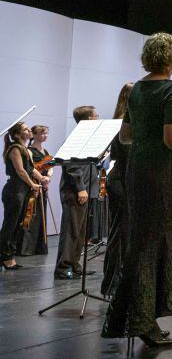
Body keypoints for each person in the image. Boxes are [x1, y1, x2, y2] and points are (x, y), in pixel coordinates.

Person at [101, 32, 172, 347]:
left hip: (137, 172)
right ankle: (142, 321)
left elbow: (126, 136)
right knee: (150, 247)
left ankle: (131, 318)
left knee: (140, 244)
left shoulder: (138, 89)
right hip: (160, 175)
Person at [55, 105, 100, 279]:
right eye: (96, 116)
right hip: (75, 192)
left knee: (81, 231)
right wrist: (81, 188)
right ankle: (63, 267)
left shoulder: (88, 138)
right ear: (89, 119)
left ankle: (74, 264)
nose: (97, 118)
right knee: (71, 230)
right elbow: (72, 165)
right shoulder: (77, 137)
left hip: (86, 190)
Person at [100, 83, 133, 296]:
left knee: (120, 234)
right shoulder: (126, 124)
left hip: (120, 179)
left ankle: (114, 283)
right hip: (124, 180)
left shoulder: (119, 121)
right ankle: (115, 284)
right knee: (121, 234)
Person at [1, 122, 44, 270]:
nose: (29, 130)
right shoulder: (15, 148)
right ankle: (5, 257)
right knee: (10, 225)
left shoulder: (26, 149)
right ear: (18, 135)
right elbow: (20, 171)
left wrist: (42, 179)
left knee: (18, 225)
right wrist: (33, 185)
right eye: (25, 129)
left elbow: (31, 170)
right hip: (15, 190)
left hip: (22, 190)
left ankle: (9, 256)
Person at [20, 124, 52, 255]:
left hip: (43, 184)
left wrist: (48, 177)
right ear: (34, 135)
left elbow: (51, 166)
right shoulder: (29, 150)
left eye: (46, 133)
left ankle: (39, 247)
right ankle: (26, 248)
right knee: (32, 214)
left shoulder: (46, 152)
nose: (44, 135)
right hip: (33, 184)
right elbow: (31, 168)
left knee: (40, 214)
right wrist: (42, 179)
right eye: (41, 133)